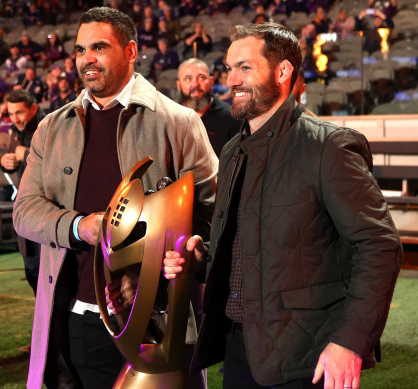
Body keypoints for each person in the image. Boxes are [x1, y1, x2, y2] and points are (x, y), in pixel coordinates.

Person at [163, 22, 402, 389]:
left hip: (307, 359)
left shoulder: (328, 146)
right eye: (229, 69)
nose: (233, 80)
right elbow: (248, 243)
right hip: (240, 351)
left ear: (283, 71)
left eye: (245, 67)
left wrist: (350, 342)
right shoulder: (232, 151)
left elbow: (380, 245)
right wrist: (200, 258)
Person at [12, 7, 217, 389]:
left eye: (99, 47)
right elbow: (24, 211)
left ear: (131, 51)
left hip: (152, 324)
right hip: (70, 320)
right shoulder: (51, 128)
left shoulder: (178, 122)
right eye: (78, 50)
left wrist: (186, 251)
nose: (86, 58)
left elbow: (214, 213)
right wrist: (79, 226)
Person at [0, 90, 45, 295]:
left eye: (19, 113)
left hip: (46, 211)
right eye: (11, 113)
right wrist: (5, 164)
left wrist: (25, 154)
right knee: (32, 270)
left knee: (46, 273)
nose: (14, 119)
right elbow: (16, 162)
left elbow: (58, 165)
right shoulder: (16, 130)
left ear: (33, 108)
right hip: (25, 209)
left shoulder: (48, 127)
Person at [177, 58, 241, 157]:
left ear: (211, 82)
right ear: (179, 85)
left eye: (201, 77)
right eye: (188, 79)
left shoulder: (231, 116)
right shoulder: (170, 118)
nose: (195, 84)